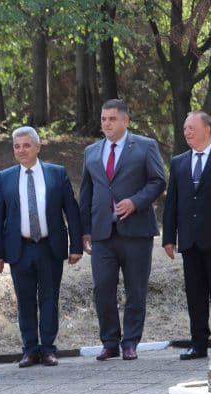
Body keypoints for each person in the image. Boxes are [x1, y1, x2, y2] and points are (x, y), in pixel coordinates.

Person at [79, 99, 166, 361]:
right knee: (102, 288)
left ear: (125, 121)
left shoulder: (145, 146)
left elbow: (158, 180)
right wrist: (85, 230)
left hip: (136, 232)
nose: (106, 123)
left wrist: (136, 202)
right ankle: (109, 342)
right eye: (104, 119)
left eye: (112, 119)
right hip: (102, 233)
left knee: (136, 289)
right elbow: (87, 193)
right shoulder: (91, 152)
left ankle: (130, 342)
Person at [0, 127, 83, 367]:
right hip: (19, 248)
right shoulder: (5, 177)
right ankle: (30, 349)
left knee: (50, 298)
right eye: (17, 146)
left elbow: (71, 212)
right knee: (25, 300)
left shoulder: (56, 174)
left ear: (37, 147)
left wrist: (76, 246)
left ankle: (49, 349)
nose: (21, 150)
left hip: (49, 246)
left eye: (26, 145)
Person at [162, 112, 211, 360]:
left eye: (192, 127)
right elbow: (172, 202)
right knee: (195, 295)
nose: (187, 132)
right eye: (184, 128)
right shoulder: (179, 163)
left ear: (207, 129)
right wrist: (169, 237)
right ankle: (198, 344)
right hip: (190, 242)